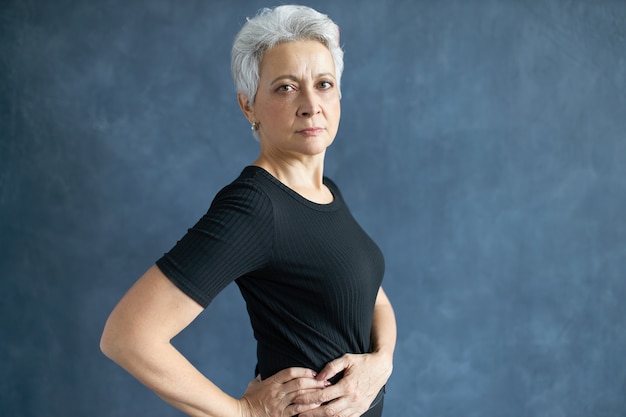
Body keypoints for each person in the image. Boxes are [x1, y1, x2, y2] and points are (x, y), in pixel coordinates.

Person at [100, 5, 396, 417]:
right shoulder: (256, 206)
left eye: (324, 84)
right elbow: (127, 335)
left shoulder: (325, 191)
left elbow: (374, 300)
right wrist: (244, 413)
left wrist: (381, 364)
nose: (311, 104)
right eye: (286, 88)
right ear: (248, 107)